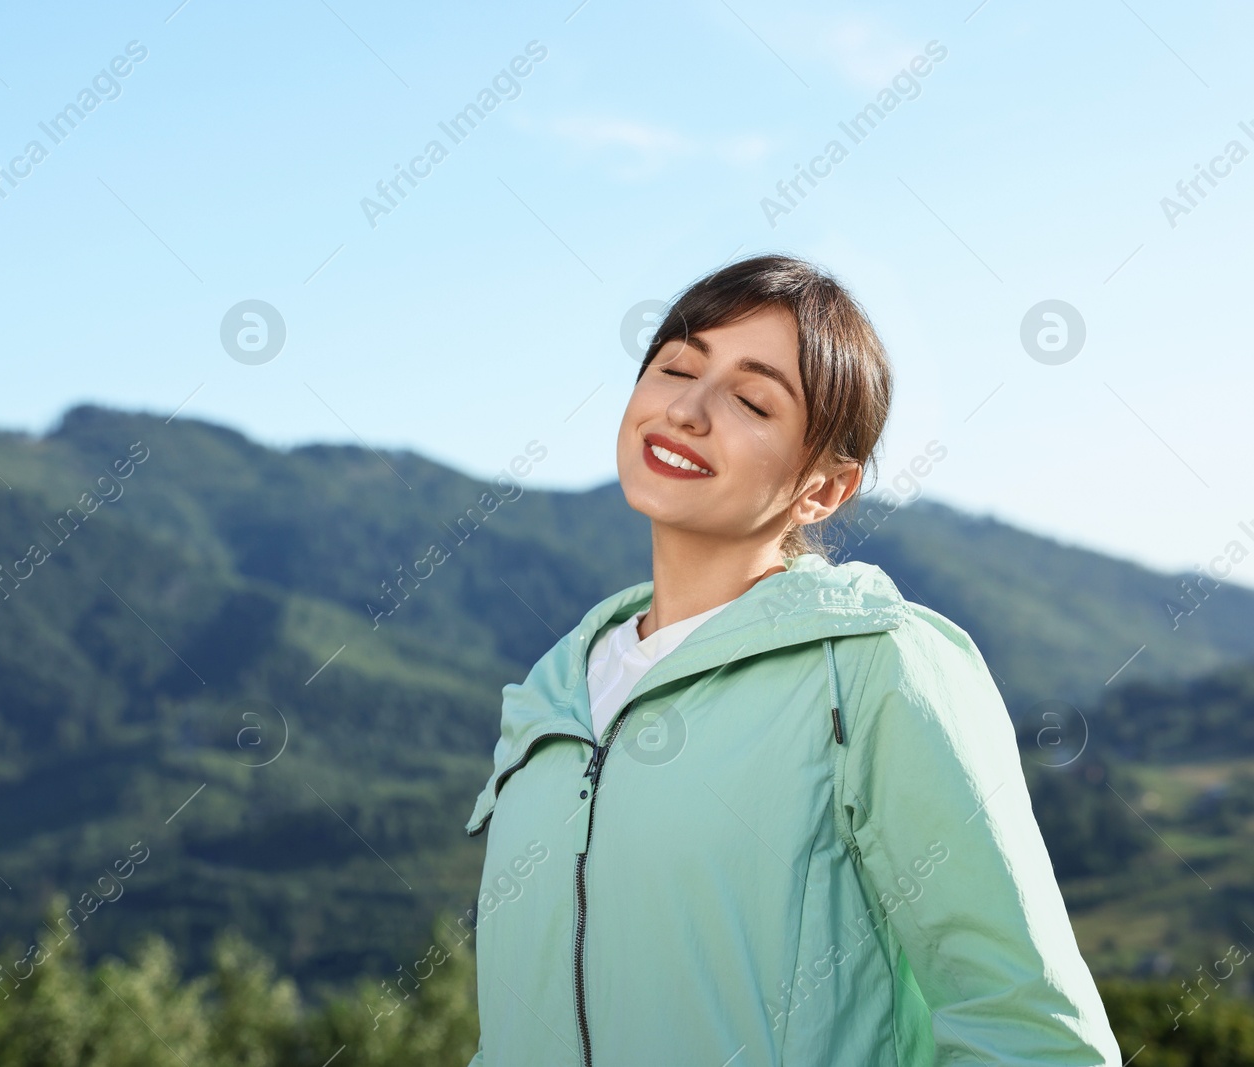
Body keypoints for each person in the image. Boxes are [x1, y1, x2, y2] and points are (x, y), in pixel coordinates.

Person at [461, 255, 1122, 1065]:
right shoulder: (548, 697)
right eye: (676, 366)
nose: (690, 409)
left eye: (750, 399)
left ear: (823, 488)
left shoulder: (881, 668)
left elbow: (1034, 1036)